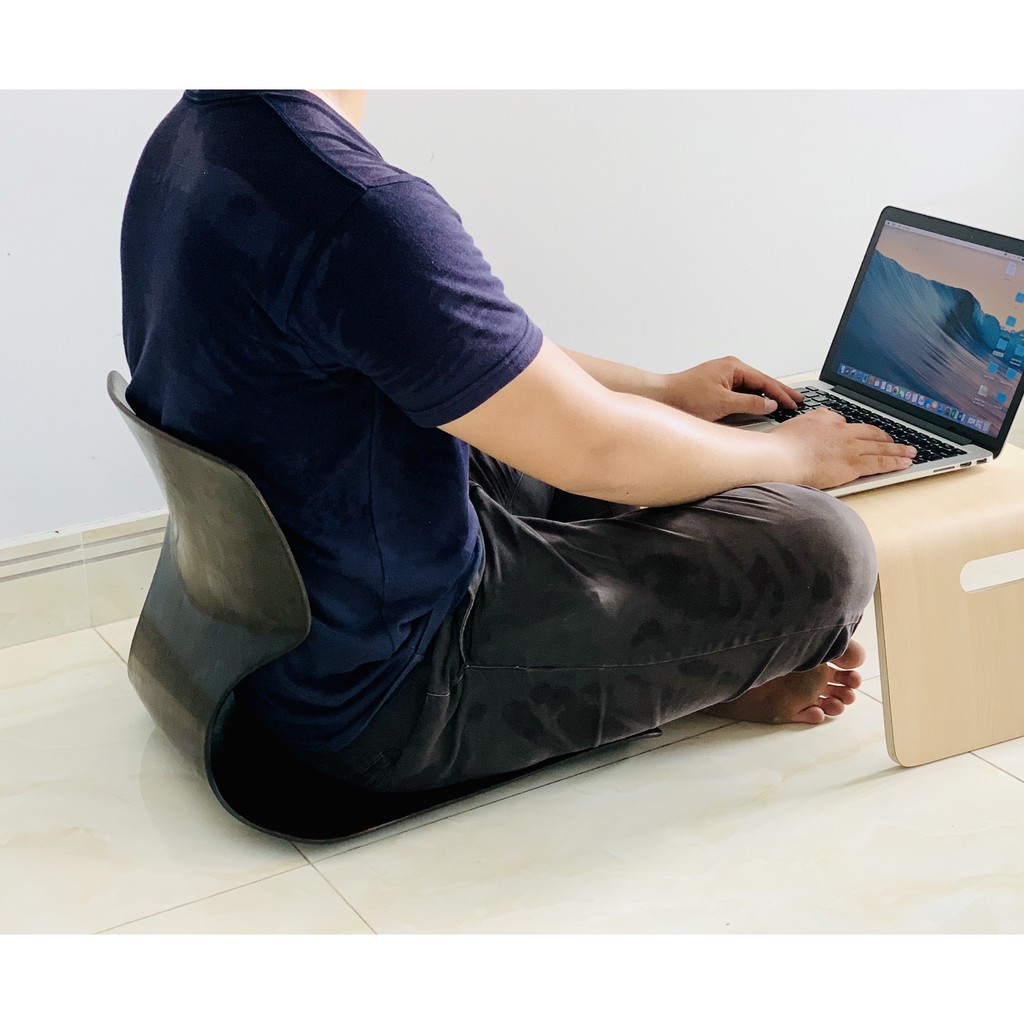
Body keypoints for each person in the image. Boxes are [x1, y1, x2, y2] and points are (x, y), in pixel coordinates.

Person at [121, 89, 914, 795]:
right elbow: (599, 452)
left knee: (631, 438)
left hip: (275, 644)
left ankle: (692, 659)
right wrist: (795, 456)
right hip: (386, 695)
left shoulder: (191, 140)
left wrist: (663, 392)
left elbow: (481, 357)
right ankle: (703, 666)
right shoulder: (357, 208)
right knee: (826, 549)